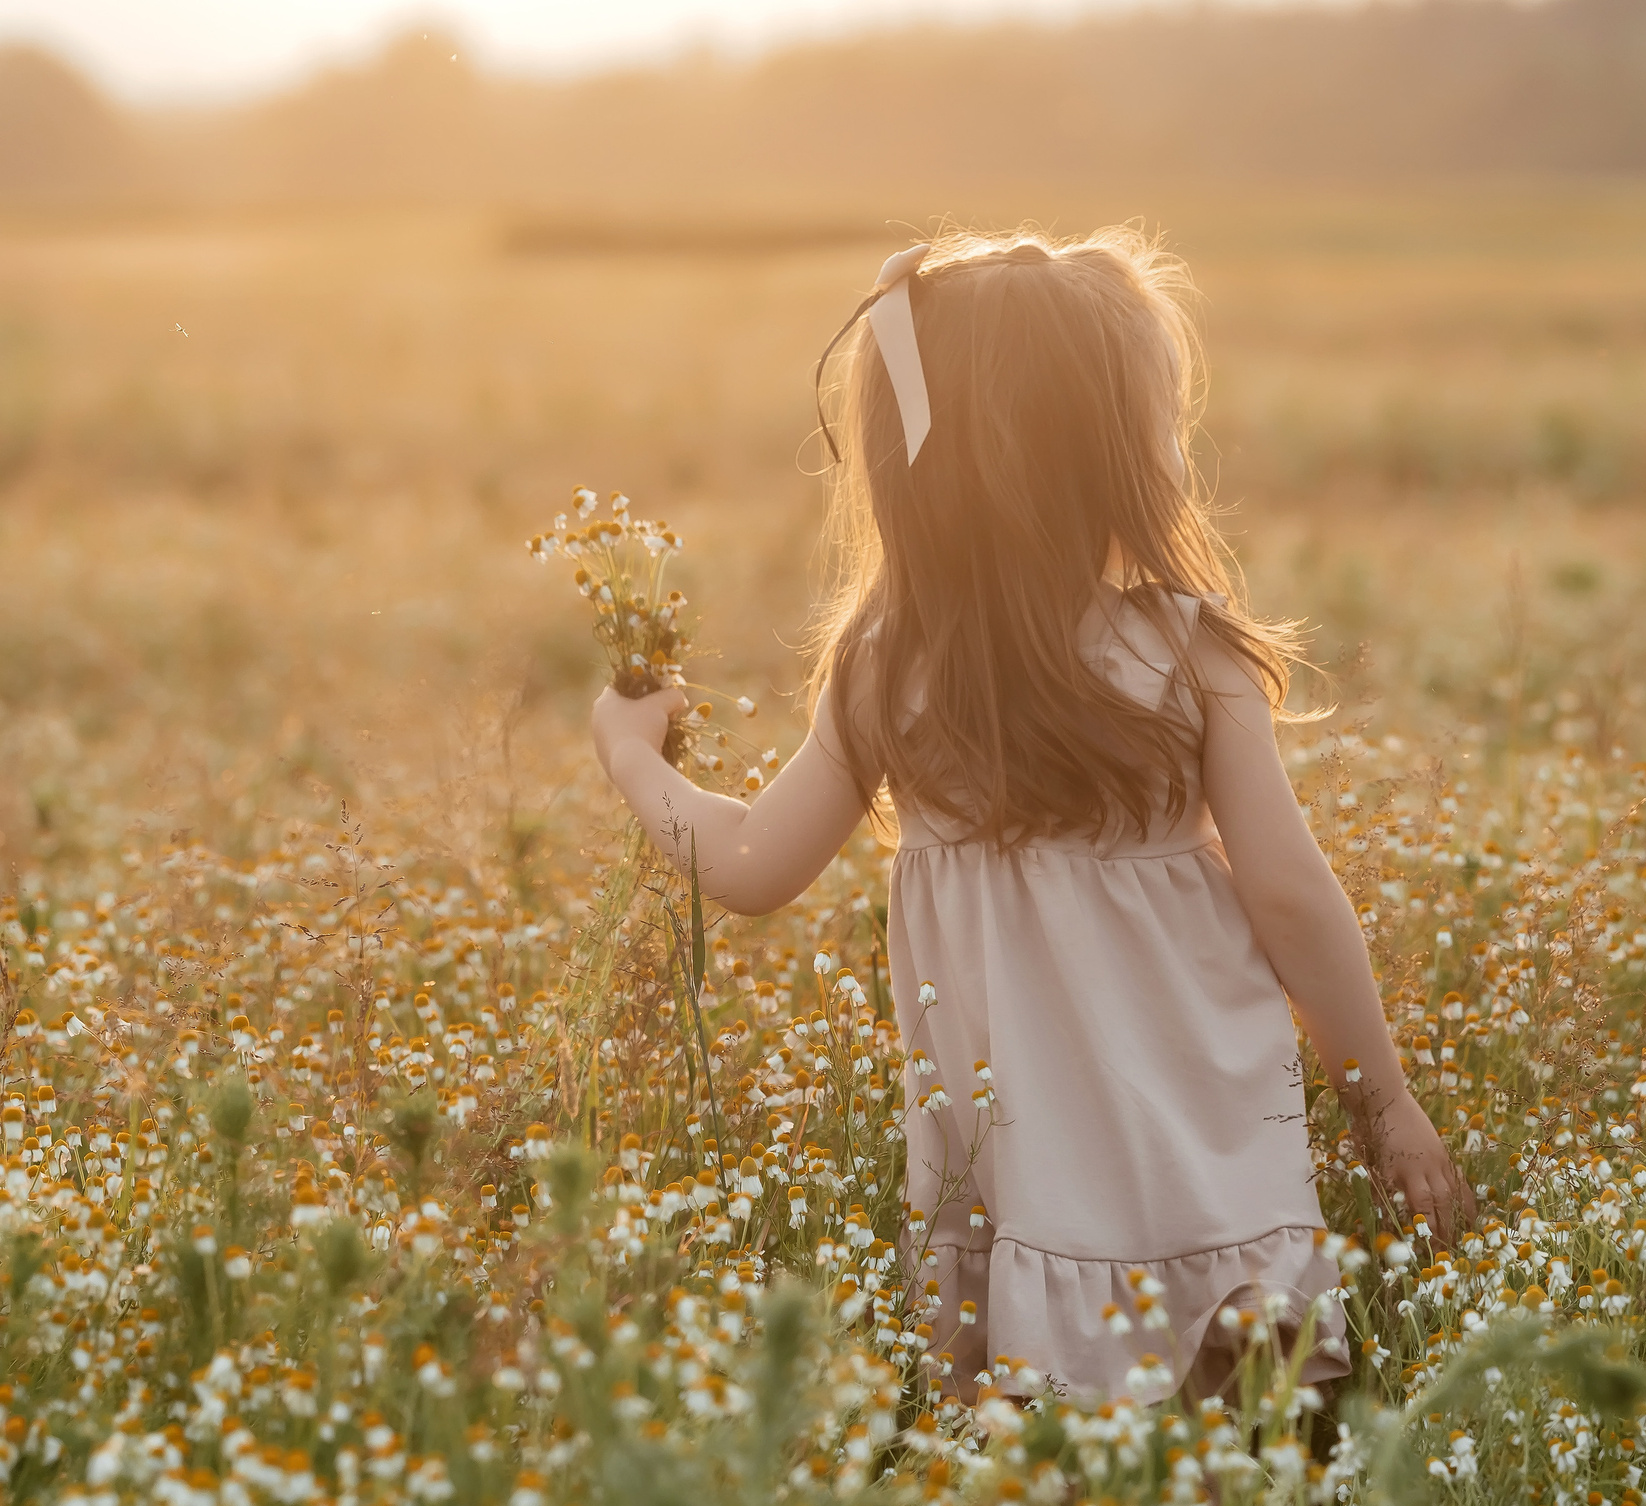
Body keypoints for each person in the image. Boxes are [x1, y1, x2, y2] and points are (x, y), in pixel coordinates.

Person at [589, 226, 1474, 1408]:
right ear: (1111, 457)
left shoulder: (888, 667)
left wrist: (628, 753)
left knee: (1043, 1496)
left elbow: (747, 862)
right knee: (1246, 1464)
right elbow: (1290, 898)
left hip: (1025, 1180)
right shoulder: (1182, 648)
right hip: (1202, 1156)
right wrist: (1385, 1100)